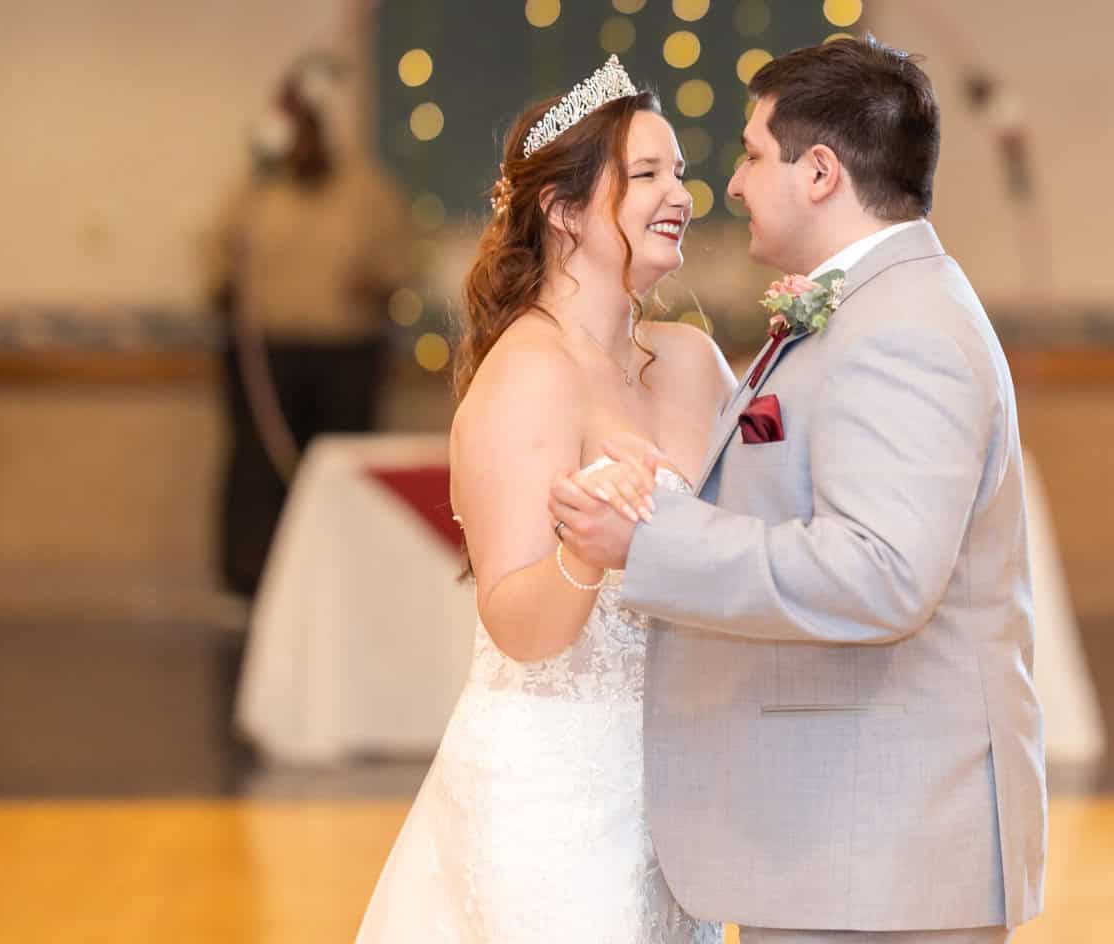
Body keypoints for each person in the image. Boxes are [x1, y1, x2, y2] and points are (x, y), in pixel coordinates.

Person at [550, 37, 1048, 942]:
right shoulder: (869, 306)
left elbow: (882, 575)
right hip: (844, 847)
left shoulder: (904, 329)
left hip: (882, 854)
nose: (732, 185)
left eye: (750, 154)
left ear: (819, 172)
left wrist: (650, 541)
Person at [355, 57, 728, 942]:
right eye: (644, 175)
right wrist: (584, 556)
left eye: (678, 171)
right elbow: (519, 628)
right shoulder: (524, 375)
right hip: (554, 800)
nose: (679, 193)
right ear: (562, 210)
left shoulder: (691, 361)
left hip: (686, 793)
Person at [207, 54, 411, 596]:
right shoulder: (256, 191)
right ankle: (249, 585)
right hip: (268, 356)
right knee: (259, 468)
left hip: (344, 354)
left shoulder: (366, 190)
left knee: (340, 472)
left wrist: (376, 283)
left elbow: (401, 260)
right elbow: (218, 260)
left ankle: (340, 584)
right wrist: (228, 287)